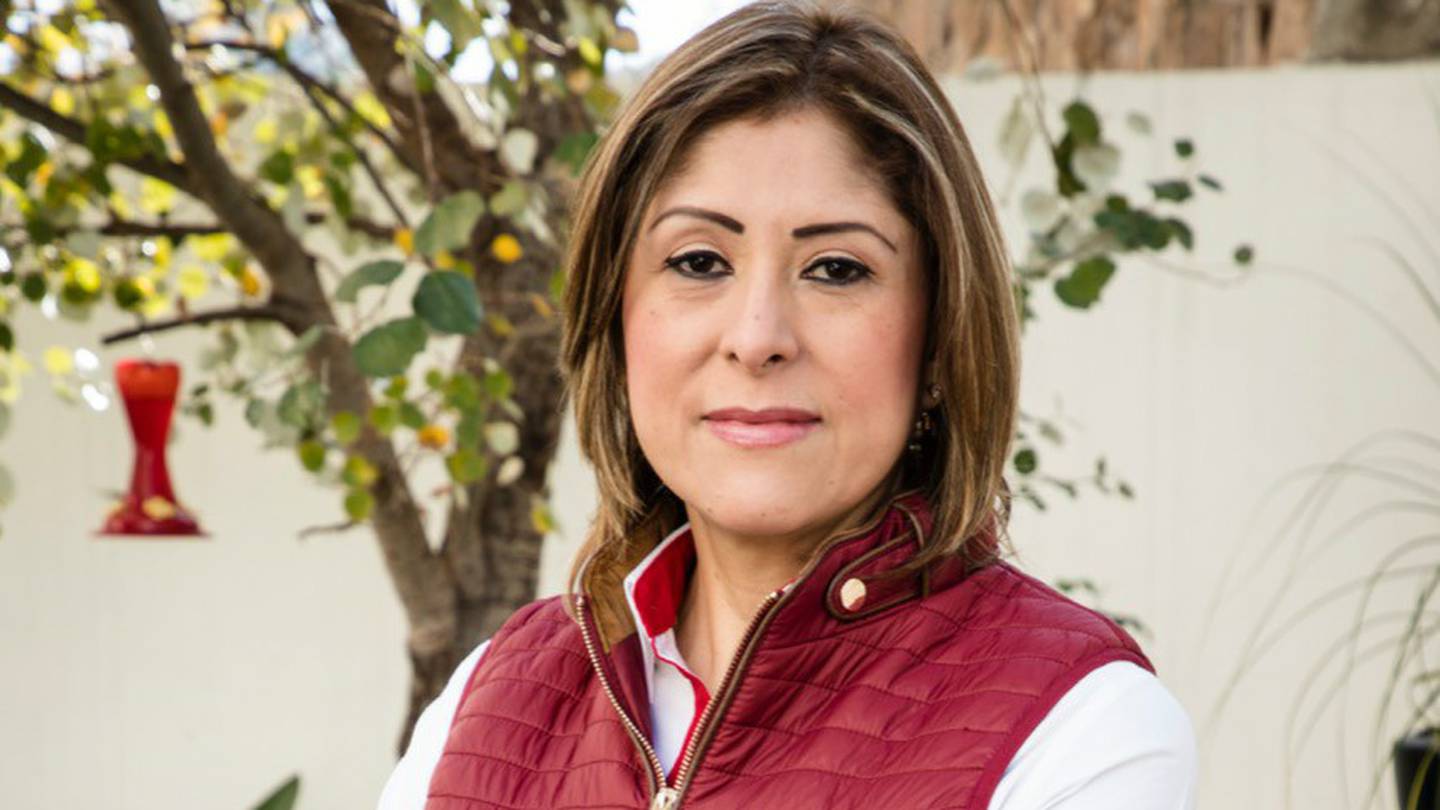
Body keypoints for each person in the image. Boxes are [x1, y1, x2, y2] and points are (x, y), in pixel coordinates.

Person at [379, 1, 1197, 808]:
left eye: (836, 269)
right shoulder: (482, 709)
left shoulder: (1079, 729)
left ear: (939, 338)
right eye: (699, 261)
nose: (756, 337)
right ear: (615, 314)